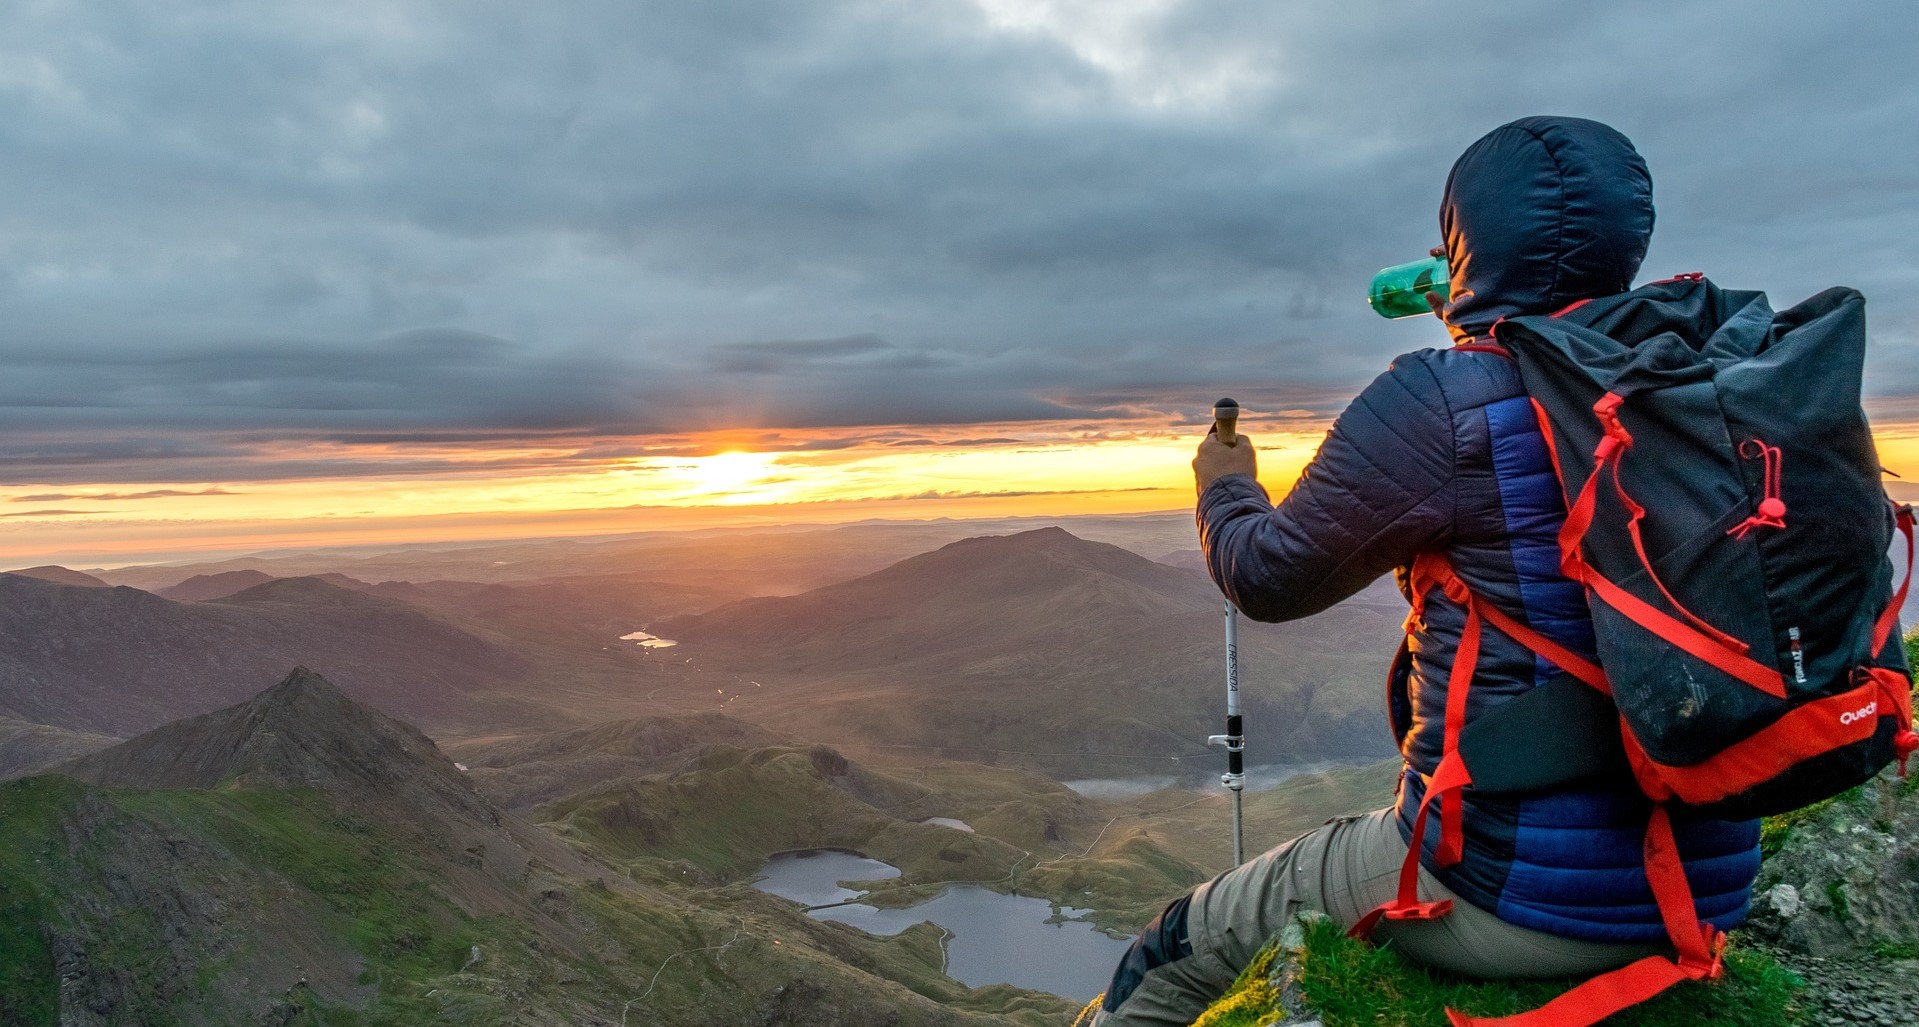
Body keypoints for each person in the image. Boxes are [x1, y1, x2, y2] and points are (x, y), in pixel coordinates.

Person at [1091, 115, 1762, 1026]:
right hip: (1710, 879)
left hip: (1510, 895)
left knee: (1176, 942)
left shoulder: (1442, 397)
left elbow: (1265, 575)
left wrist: (1224, 489)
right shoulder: (1711, 383)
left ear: (1465, 238)